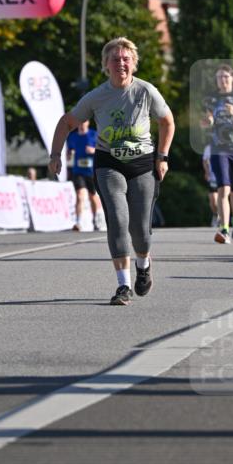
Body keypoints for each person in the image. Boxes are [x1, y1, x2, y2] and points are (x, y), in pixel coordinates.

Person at [48, 37, 174, 305]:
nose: (121, 64)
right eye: (115, 60)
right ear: (106, 65)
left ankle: (143, 264)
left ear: (134, 63)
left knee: (140, 230)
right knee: (117, 220)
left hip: (142, 164)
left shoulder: (146, 91)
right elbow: (67, 122)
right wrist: (55, 155)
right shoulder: (97, 96)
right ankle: (123, 285)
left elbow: (167, 121)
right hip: (108, 164)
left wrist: (162, 156)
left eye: (126, 59)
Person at [201, 65, 233, 243]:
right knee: (223, 188)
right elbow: (208, 119)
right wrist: (208, 121)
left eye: (226, 76)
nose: (223, 80)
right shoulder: (211, 99)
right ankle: (224, 228)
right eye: (219, 77)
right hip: (219, 147)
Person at [66, 119, 105, 231]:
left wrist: (93, 150)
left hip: (92, 172)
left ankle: (95, 220)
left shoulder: (94, 135)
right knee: (80, 195)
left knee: (92, 196)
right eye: (80, 122)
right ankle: (78, 222)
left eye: (84, 122)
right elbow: (69, 152)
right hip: (78, 171)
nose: (82, 124)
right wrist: (69, 154)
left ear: (88, 123)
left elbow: (103, 150)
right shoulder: (72, 136)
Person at [201, 143, 219, 228]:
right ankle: (216, 214)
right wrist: (207, 172)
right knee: (213, 199)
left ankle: (225, 218)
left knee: (224, 197)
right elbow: (205, 160)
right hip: (213, 178)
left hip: (225, 177)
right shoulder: (209, 147)